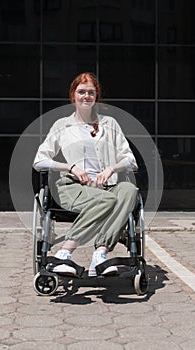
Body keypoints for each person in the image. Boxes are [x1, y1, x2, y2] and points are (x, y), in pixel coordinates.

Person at [33, 72, 138, 277]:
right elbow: (39, 161)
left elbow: (130, 161)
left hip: (107, 185)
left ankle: (99, 256)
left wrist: (110, 169)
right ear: (73, 96)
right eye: (81, 92)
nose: (86, 96)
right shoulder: (62, 125)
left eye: (91, 92)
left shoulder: (110, 124)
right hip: (74, 187)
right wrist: (70, 167)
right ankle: (64, 254)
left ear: (96, 96)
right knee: (107, 200)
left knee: (129, 190)